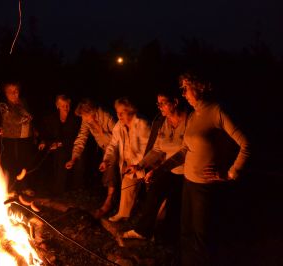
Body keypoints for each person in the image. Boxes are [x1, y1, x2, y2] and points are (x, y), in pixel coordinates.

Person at [178, 71, 250, 265]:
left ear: (198, 87)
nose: (183, 94)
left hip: (205, 186)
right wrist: (156, 166)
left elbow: (246, 144)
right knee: (186, 232)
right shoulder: (193, 115)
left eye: (185, 88)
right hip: (188, 182)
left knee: (203, 238)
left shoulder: (217, 111)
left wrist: (231, 173)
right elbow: (185, 149)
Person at [121, 88, 190, 243]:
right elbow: (158, 149)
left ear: (175, 102)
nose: (159, 107)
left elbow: (184, 153)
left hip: (187, 171)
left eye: (163, 103)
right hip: (168, 168)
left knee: (174, 205)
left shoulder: (189, 120)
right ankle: (142, 231)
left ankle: (166, 240)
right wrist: (139, 165)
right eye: (158, 104)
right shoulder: (164, 122)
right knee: (153, 195)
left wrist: (158, 170)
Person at [99, 97, 151, 222]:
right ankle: (123, 213)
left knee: (154, 193)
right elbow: (113, 145)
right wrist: (106, 160)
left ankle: (158, 220)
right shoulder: (119, 125)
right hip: (130, 166)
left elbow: (148, 149)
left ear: (130, 111)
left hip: (147, 165)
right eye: (117, 112)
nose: (118, 115)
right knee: (127, 185)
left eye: (122, 112)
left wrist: (137, 165)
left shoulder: (142, 124)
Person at [65, 98, 117, 218]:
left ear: (92, 112)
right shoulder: (87, 120)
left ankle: (108, 202)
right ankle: (111, 198)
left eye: (85, 115)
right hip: (106, 148)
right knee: (107, 171)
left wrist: (98, 127)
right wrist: (74, 158)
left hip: (119, 147)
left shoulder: (107, 116)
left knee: (110, 167)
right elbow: (81, 138)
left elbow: (117, 139)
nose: (83, 118)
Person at [0, 81, 35, 194]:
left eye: (16, 90)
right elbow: (11, 119)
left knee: (24, 162)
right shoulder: (3, 105)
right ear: (6, 93)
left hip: (25, 137)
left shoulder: (24, 102)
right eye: (11, 92)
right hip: (9, 138)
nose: (14, 93)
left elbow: (31, 116)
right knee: (10, 163)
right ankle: (11, 188)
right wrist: (25, 117)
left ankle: (24, 187)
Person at [38, 95, 82, 195]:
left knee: (62, 153)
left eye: (67, 105)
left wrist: (59, 144)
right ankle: (53, 186)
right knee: (51, 153)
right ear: (57, 106)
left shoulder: (75, 118)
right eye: (63, 106)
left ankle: (62, 189)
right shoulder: (52, 118)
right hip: (56, 145)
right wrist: (44, 142)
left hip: (71, 145)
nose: (65, 108)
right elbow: (47, 133)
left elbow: (75, 137)